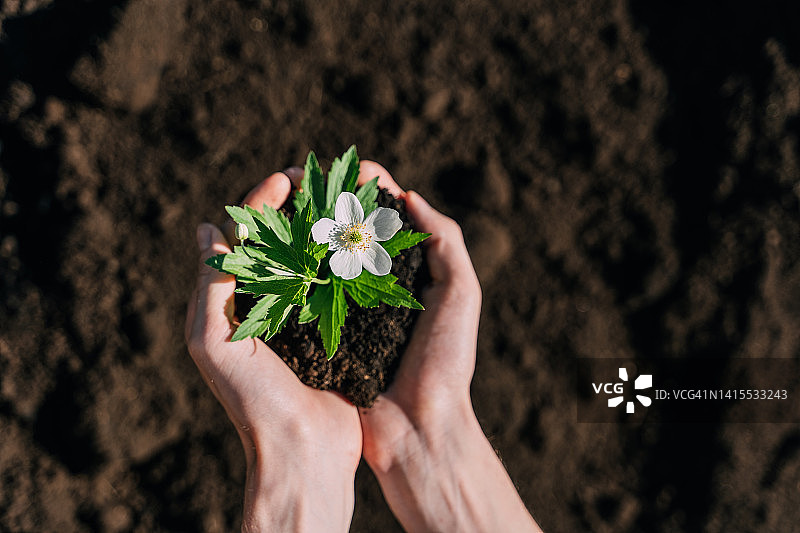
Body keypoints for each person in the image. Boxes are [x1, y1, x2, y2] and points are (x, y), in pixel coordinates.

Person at [185, 161, 543, 532]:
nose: (357, 236)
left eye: (361, 234)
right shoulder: (337, 233)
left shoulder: (368, 250)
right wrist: (433, 433)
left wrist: (302, 457)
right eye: (356, 233)